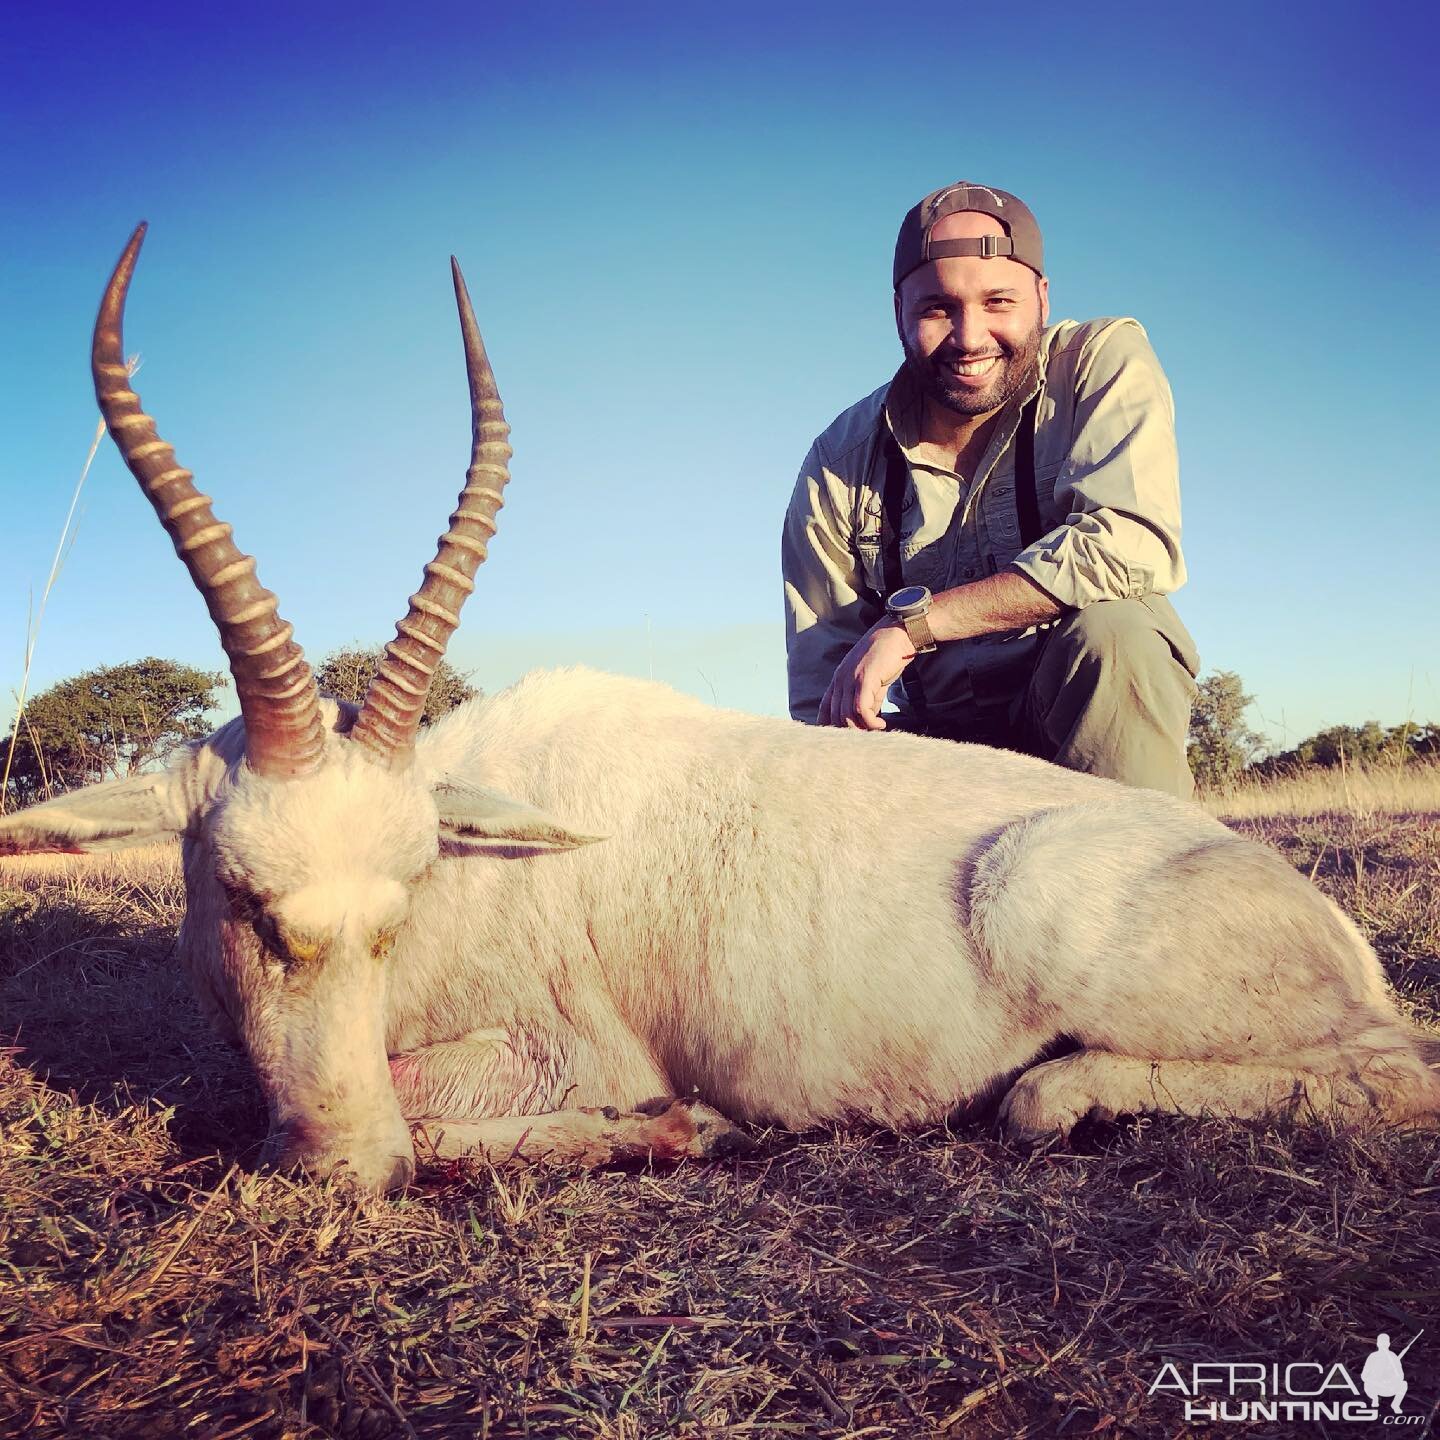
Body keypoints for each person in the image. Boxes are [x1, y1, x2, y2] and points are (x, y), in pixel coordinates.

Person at [782, 181, 1200, 797]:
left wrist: (915, 626)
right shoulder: (837, 459)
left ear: (1042, 297)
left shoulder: (1100, 362)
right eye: (937, 308)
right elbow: (822, 689)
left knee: (1118, 636)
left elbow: (1130, 544)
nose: (970, 337)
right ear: (897, 310)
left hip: (1083, 718)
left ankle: (1147, 875)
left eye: (998, 301)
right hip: (938, 749)